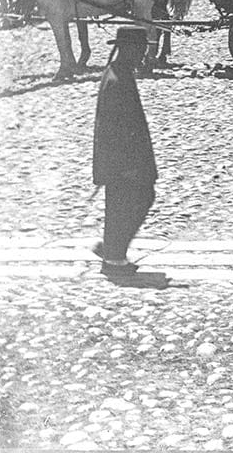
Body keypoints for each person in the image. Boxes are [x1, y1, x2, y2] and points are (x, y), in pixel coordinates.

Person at [93, 26, 158, 279]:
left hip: (123, 159)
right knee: (136, 199)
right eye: (140, 50)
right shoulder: (117, 81)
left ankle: (111, 249)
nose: (142, 55)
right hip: (123, 161)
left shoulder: (118, 73)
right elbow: (114, 129)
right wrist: (126, 165)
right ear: (128, 49)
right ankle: (112, 256)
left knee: (123, 204)